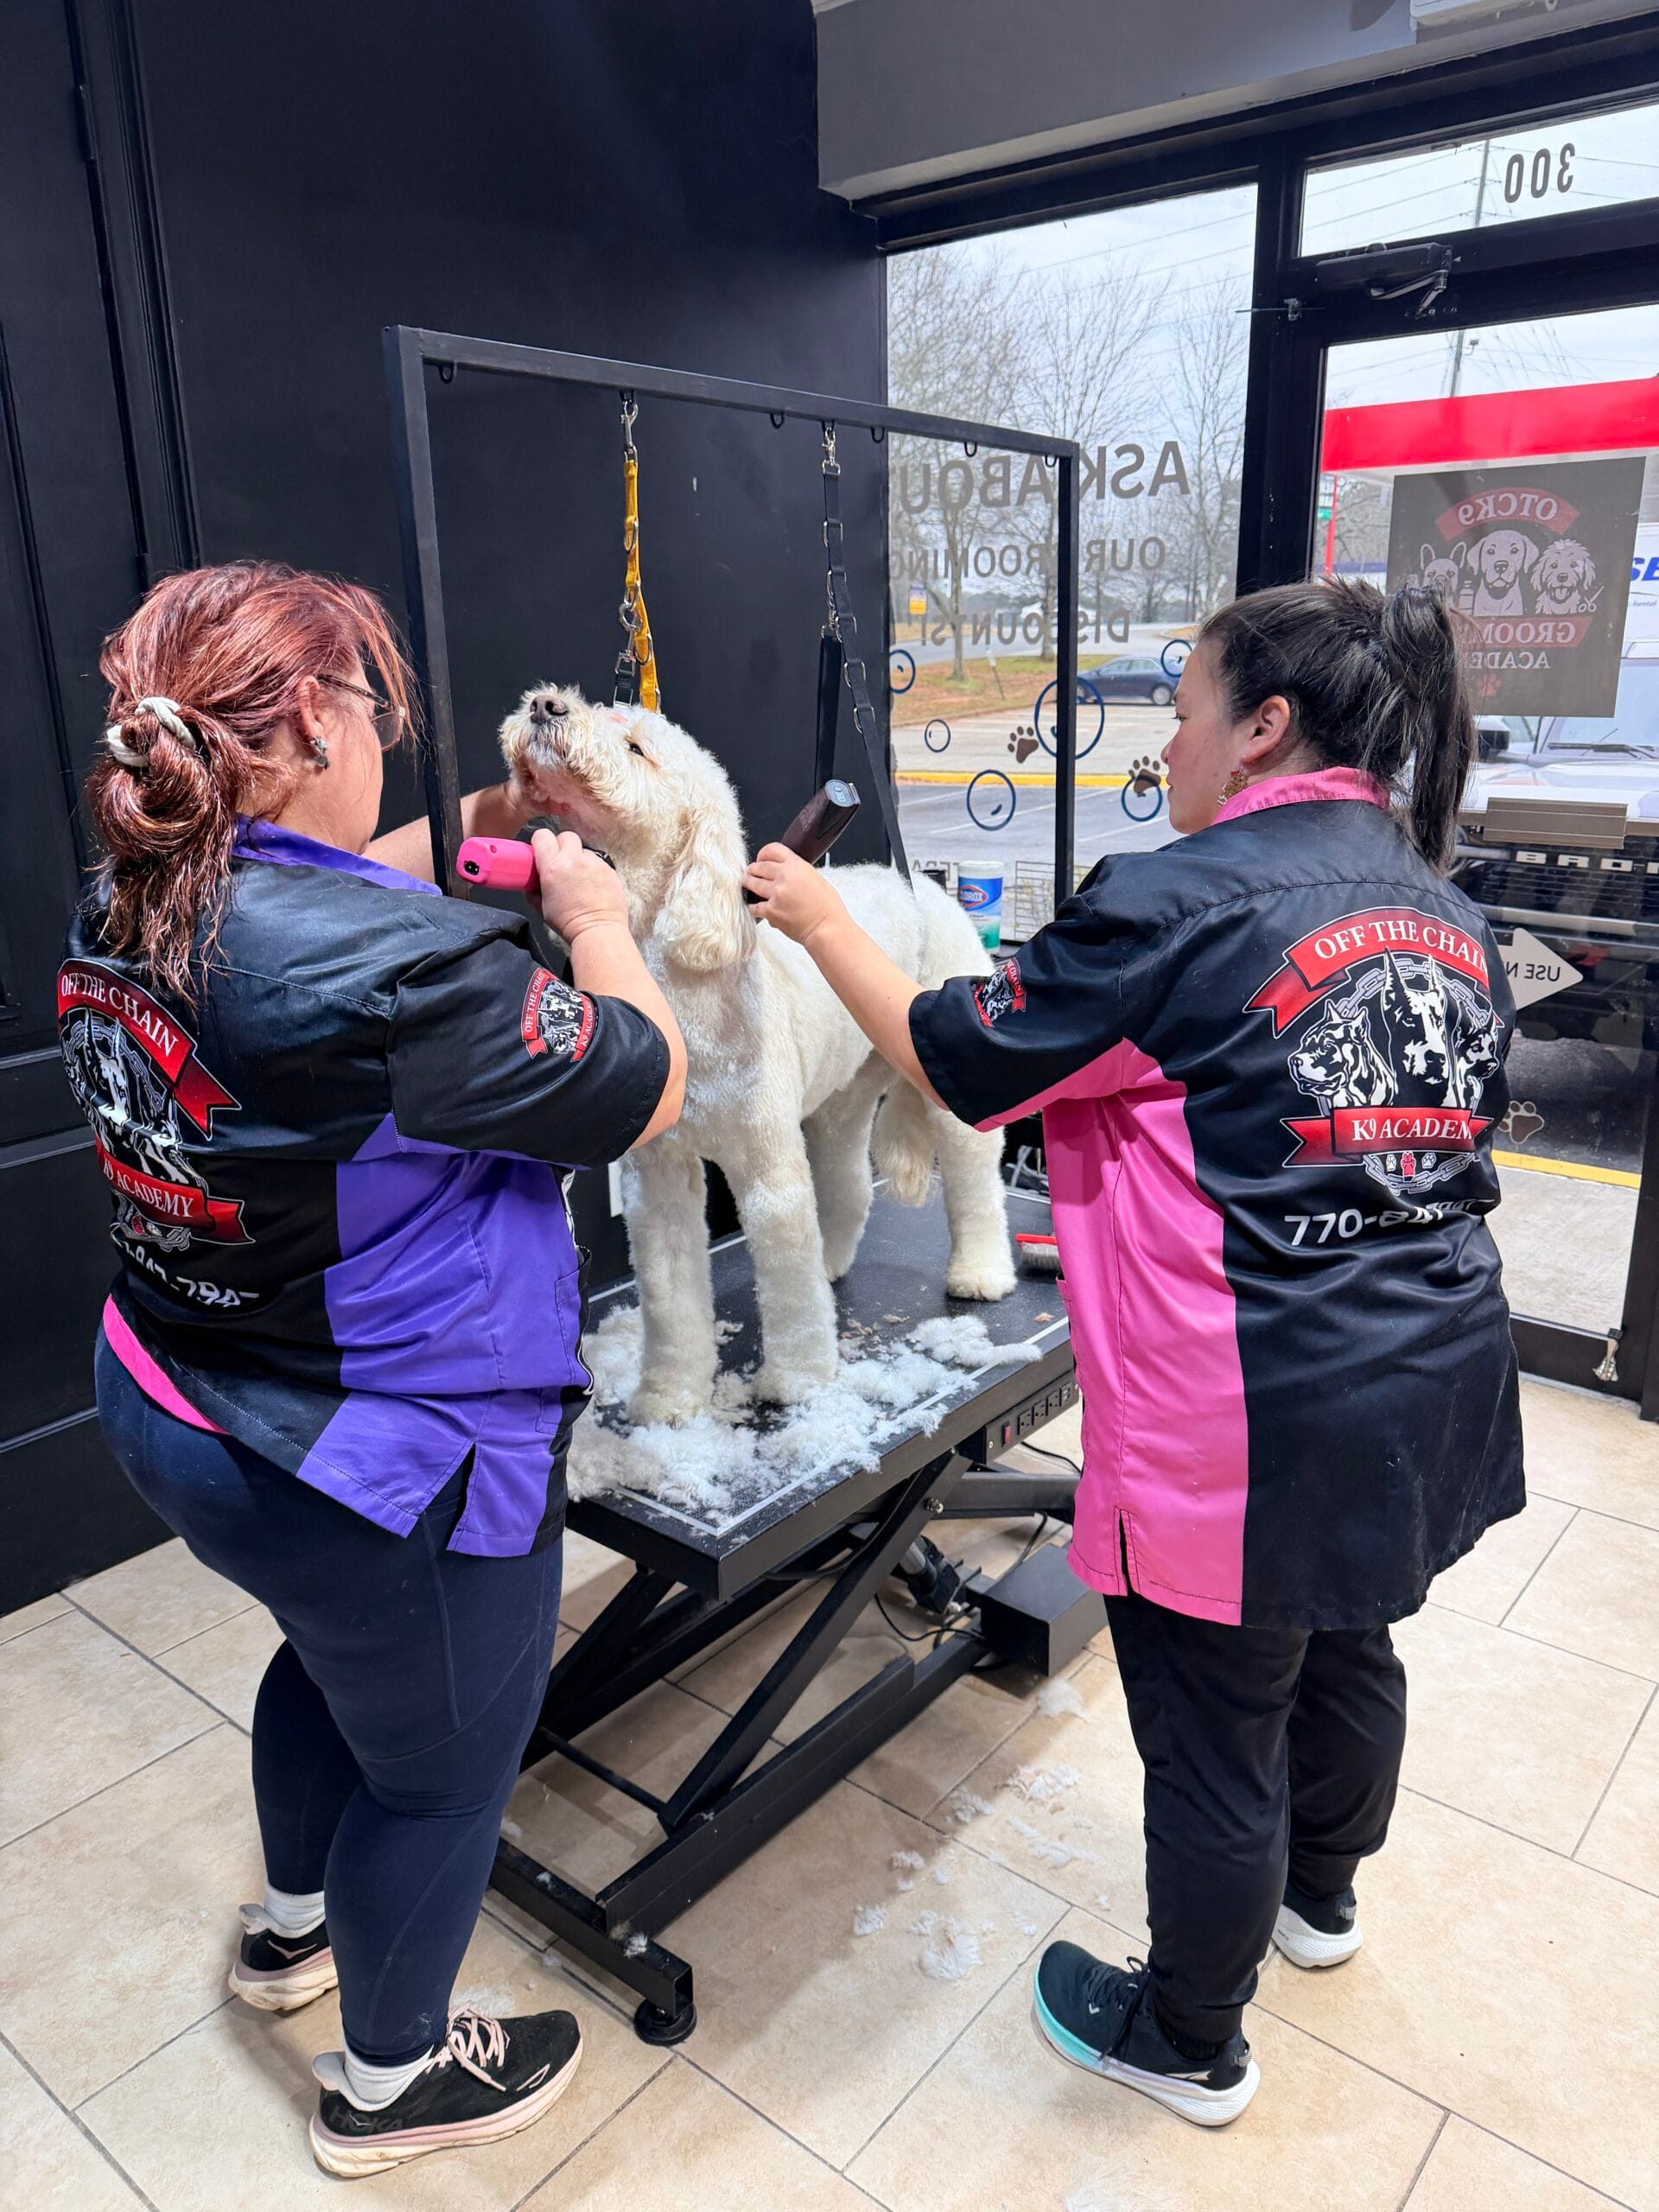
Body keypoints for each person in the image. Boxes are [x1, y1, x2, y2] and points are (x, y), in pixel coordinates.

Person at [744, 578, 1523, 2129]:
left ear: (1263, 730)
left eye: (1182, 711)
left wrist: (824, 918)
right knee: (1354, 1644)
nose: (1166, 745)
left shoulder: (1177, 907)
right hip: (1430, 1376)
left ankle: (1189, 2040)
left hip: (1250, 1420)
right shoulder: (1448, 907)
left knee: (1218, 1721)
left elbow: (959, 1054)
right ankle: (1323, 1902)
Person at [60, 561, 685, 2177]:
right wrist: (600, 920)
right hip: (371, 1458)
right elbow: (641, 1086)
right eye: (374, 712)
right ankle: (393, 2082)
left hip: (180, 1400)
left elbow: (333, 897)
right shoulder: (408, 975)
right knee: (445, 1774)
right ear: (326, 715)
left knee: (333, 1665)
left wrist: (492, 813)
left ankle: (288, 1935)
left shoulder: (132, 890)